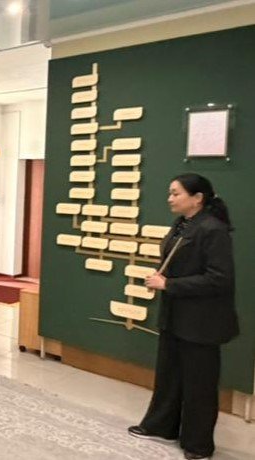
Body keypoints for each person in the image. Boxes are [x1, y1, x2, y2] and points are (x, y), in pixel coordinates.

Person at [128, 173, 239, 460]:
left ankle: (198, 445)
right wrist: (161, 277)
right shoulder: (182, 224)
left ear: (197, 198)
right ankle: (161, 426)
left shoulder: (213, 230)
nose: (170, 198)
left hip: (202, 322)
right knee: (169, 375)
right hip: (175, 316)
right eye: (170, 192)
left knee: (199, 385)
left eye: (176, 193)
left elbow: (220, 279)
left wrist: (169, 285)